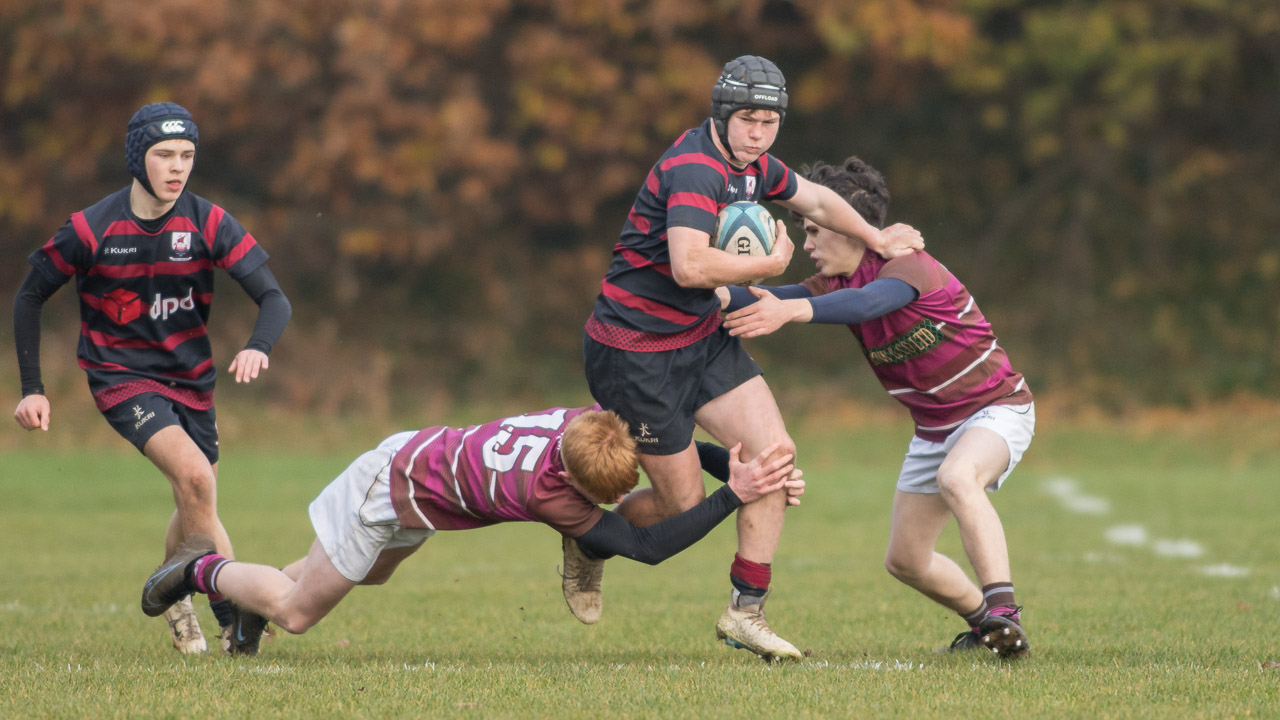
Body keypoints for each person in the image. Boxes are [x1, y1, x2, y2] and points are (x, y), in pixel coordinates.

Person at [578, 55, 924, 661]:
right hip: (634, 353)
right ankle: (589, 542)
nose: (759, 133)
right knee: (679, 508)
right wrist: (767, 268)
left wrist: (877, 239)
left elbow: (815, 200)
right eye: (748, 120)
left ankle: (746, 612)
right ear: (722, 115)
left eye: (769, 121)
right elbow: (689, 265)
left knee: (774, 458)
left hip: (701, 336)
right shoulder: (694, 168)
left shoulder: (757, 166)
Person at [140, 406, 804, 656]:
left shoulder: (594, 423)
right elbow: (648, 549)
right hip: (390, 488)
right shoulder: (550, 496)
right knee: (301, 611)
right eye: (599, 501)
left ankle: (244, 614)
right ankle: (196, 573)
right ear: (573, 489)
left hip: (419, 475)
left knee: (359, 574)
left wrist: (729, 466)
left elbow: (661, 445)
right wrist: (732, 496)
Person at [719, 156, 1035, 658]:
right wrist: (702, 287)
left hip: (995, 408)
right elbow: (757, 298)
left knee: (959, 478)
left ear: (851, 227)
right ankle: (988, 630)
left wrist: (792, 311)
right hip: (934, 428)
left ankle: (1006, 611)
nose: (808, 245)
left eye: (816, 231)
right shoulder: (832, 283)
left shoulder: (907, 265)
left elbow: (868, 304)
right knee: (906, 560)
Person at [12, 102, 292, 655]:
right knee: (196, 480)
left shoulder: (209, 221)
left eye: (187, 155)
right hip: (120, 376)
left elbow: (274, 298)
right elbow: (29, 297)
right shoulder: (90, 228)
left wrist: (258, 346)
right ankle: (232, 617)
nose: (177, 166)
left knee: (195, 497)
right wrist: (32, 388)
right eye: (165, 154)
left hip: (194, 381)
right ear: (138, 157)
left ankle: (177, 591)